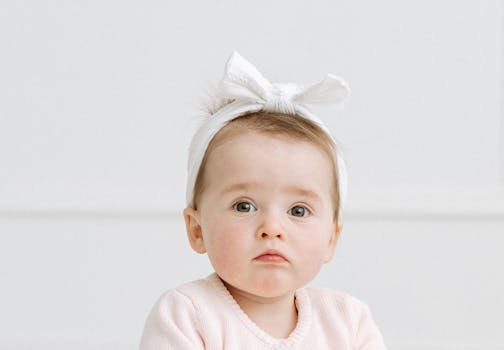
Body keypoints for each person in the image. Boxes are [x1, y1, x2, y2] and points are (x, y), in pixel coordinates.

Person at [139, 52, 387, 349]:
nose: (272, 228)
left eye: (298, 210)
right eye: (244, 206)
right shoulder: (188, 314)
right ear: (197, 229)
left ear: (331, 238)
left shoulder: (348, 322)